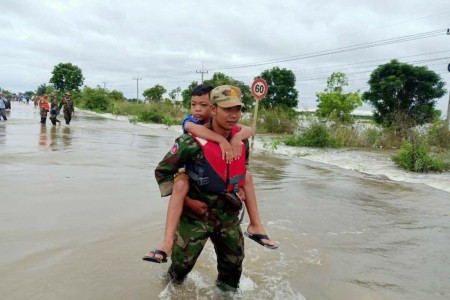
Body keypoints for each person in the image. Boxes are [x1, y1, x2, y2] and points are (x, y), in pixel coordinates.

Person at [148, 85, 273, 290]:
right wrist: (188, 202)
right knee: (179, 270)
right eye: (227, 109)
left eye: (237, 109)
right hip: (195, 216)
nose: (233, 115)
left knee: (232, 272)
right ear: (213, 110)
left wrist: (240, 188)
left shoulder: (241, 141)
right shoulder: (190, 142)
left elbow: (244, 167)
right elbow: (163, 171)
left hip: (228, 216)